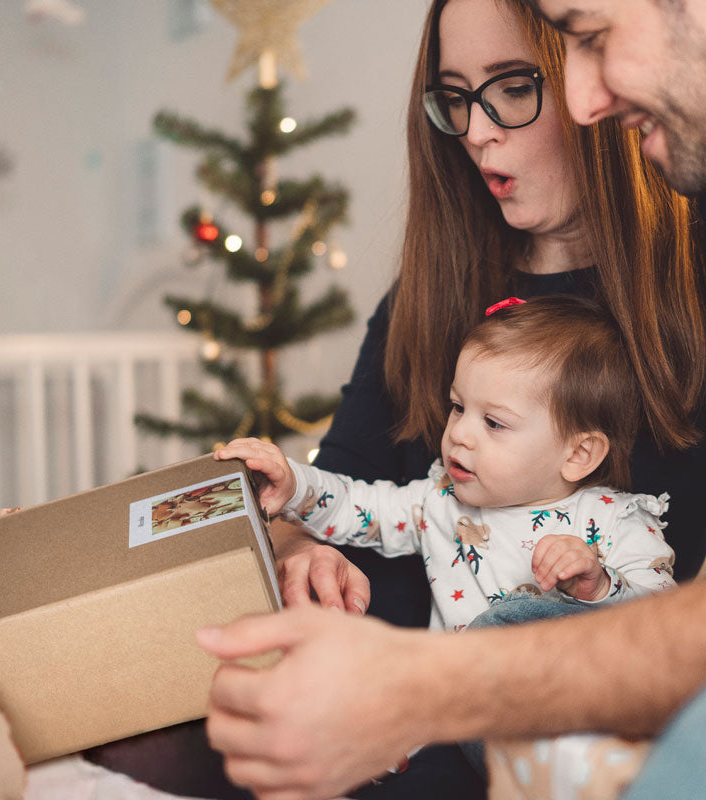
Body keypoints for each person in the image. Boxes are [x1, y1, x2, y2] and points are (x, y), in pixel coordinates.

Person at [195, 0, 706, 798]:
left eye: (510, 87)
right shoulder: (427, 296)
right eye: (454, 98)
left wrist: (421, 686)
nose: (475, 132)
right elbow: (340, 494)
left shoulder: (690, 285)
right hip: (376, 724)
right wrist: (306, 555)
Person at [219, 296, 676, 626]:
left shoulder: (617, 522)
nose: (459, 433)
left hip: (568, 709)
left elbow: (662, 626)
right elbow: (355, 507)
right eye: (458, 407)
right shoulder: (439, 503)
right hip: (465, 710)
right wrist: (294, 483)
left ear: (578, 454)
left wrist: (599, 586)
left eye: (493, 423)